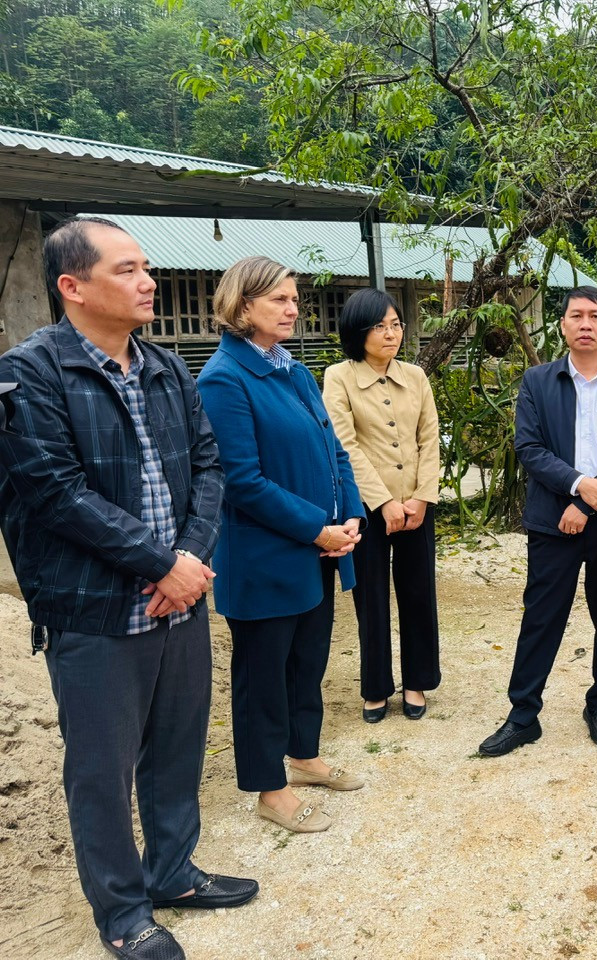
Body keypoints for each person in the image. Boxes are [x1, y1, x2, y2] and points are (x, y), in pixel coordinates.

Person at [0, 217, 256, 960]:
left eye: (146, 267)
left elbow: (210, 468)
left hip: (178, 596)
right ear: (72, 287)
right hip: (96, 611)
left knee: (177, 748)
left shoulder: (168, 366)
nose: (148, 282)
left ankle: (172, 871)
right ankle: (121, 911)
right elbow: (55, 494)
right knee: (100, 772)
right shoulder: (29, 375)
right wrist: (160, 565)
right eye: (127, 269)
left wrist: (189, 560)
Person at [198, 256, 366, 833]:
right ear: (244, 306)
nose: (293, 309)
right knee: (262, 676)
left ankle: (304, 755)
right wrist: (317, 527)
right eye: (279, 300)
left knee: (307, 663)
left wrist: (349, 518)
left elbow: (334, 450)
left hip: (318, 551)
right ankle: (270, 788)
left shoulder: (292, 371)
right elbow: (241, 481)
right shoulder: (224, 378)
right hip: (267, 558)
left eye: (295, 299)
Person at [478, 286, 597, 756]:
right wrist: (577, 486)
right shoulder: (537, 382)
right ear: (563, 325)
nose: (586, 323)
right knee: (542, 615)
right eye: (577, 315)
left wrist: (588, 503)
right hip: (554, 520)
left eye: (596, 316)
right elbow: (529, 448)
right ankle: (523, 715)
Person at [323, 289, 442, 724]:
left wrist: (422, 497)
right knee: (370, 597)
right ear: (359, 331)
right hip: (366, 509)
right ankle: (375, 687)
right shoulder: (339, 377)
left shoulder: (416, 376)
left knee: (418, 592)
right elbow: (344, 445)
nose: (390, 333)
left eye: (395, 325)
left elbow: (430, 439)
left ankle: (417, 681)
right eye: (380, 326)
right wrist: (384, 502)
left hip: (417, 505)